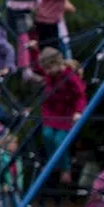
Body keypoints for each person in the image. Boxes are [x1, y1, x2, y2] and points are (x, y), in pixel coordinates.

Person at [37, 47, 87, 187]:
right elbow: (36, 69)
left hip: (66, 112)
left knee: (59, 139)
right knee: (47, 135)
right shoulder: (49, 74)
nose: (46, 72)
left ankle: (65, 169)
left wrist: (79, 111)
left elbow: (80, 95)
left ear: (57, 64)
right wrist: (35, 50)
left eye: (48, 68)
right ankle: (53, 163)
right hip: (52, 110)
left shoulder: (69, 76)